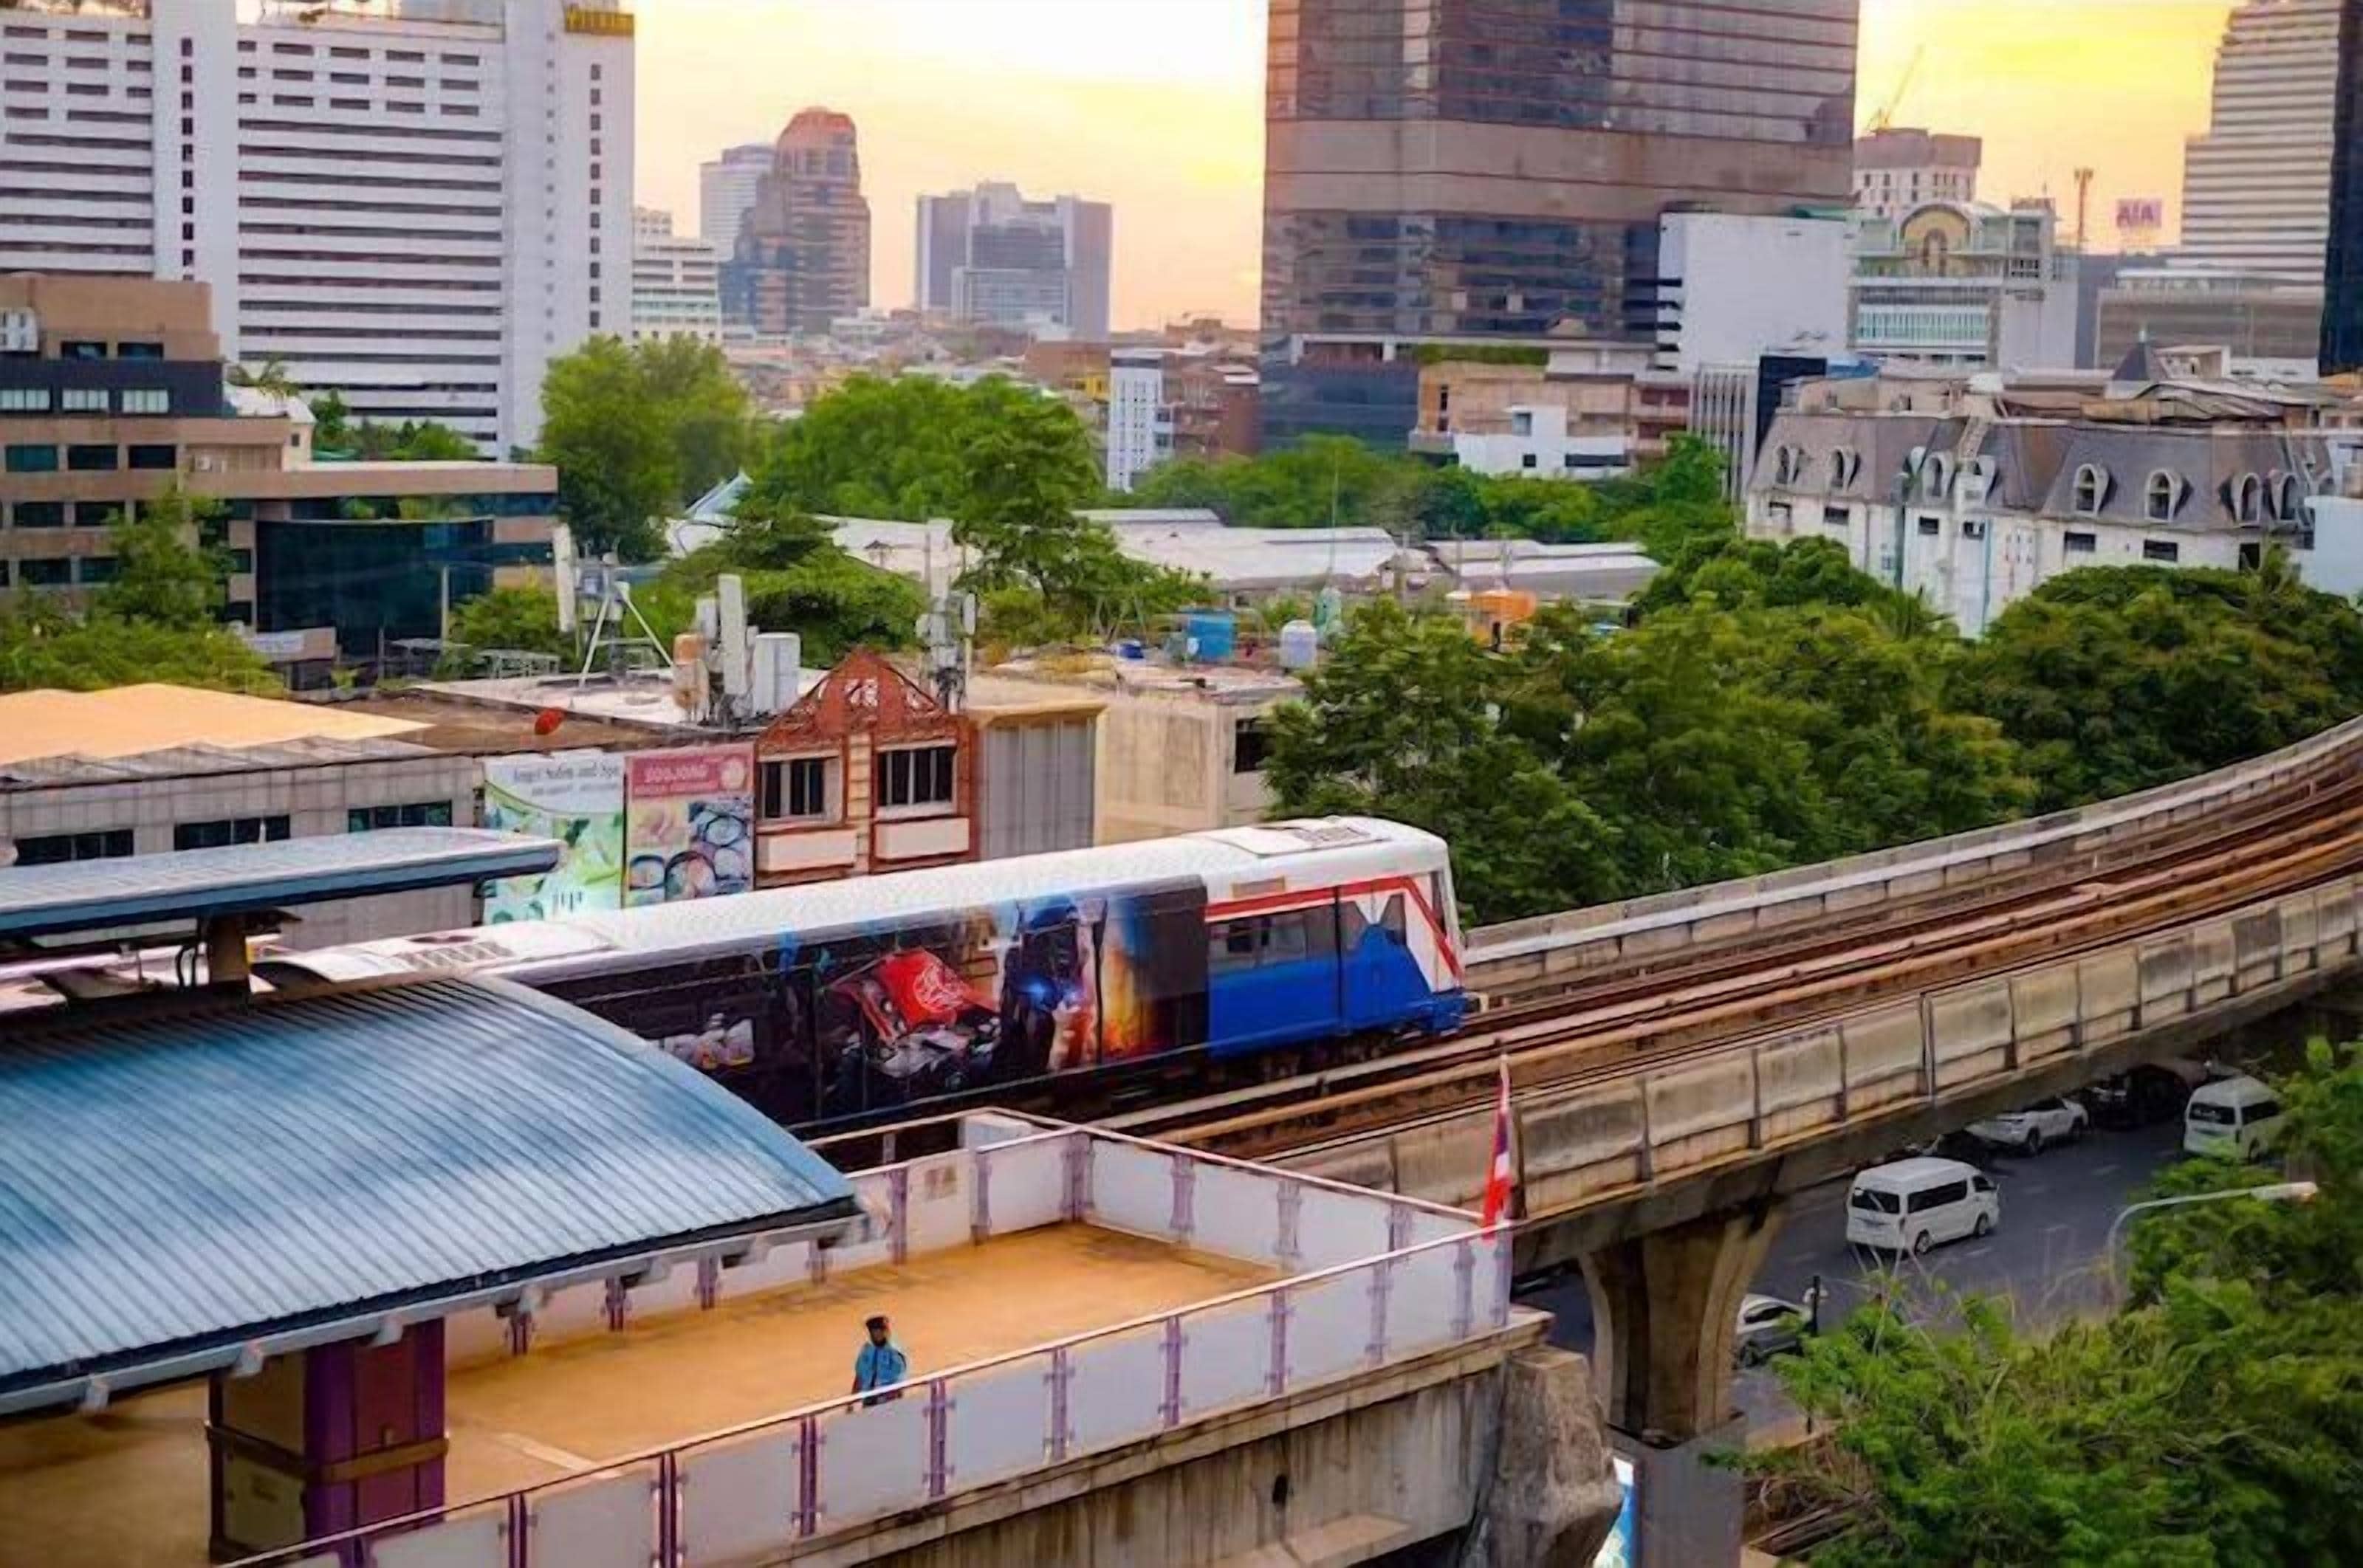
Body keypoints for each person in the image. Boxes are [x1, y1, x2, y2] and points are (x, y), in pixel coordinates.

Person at [851, 1314, 908, 1406]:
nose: (877, 1335)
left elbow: (899, 1381)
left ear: (886, 1332)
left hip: (888, 1400)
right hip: (868, 1399)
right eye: (874, 1332)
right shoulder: (866, 1351)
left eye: (880, 1331)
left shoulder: (894, 1353)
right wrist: (851, 1401)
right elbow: (859, 1377)